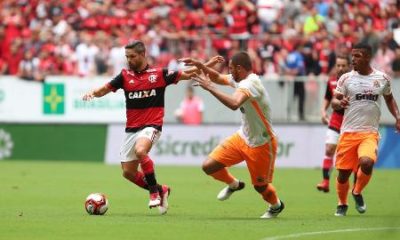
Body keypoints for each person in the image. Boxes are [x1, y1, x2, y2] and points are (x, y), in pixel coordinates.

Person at [82, 40, 223, 215]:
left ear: (143, 55)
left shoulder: (159, 74)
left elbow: (189, 73)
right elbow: (105, 89)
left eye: (132, 56)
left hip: (152, 125)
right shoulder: (124, 76)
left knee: (141, 151)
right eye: (127, 57)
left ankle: (153, 193)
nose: (129, 60)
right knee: (128, 173)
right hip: (131, 129)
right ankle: (161, 189)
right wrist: (92, 93)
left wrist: (207, 64)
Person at [181, 51, 284, 219]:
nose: (229, 72)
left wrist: (210, 88)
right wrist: (201, 65)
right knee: (209, 166)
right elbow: (218, 78)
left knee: (260, 187)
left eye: (230, 69)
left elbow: (235, 104)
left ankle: (276, 205)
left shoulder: (251, 84)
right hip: (242, 137)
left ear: (239, 68)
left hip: (261, 143)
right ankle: (234, 184)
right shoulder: (240, 79)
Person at [332, 43, 400, 216]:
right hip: (348, 132)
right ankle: (342, 203)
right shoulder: (346, 78)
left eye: (357, 56)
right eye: (352, 56)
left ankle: (357, 191)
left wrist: (398, 117)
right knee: (343, 174)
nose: (353, 59)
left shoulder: (382, 78)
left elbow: (389, 99)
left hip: (369, 132)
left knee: (367, 163)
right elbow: (335, 101)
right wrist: (339, 103)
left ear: (368, 57)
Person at [316, 55, 351, 193]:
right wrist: (323, 111)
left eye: (343, 65)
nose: (341, 68)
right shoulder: (331, 81)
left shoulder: (354, 82)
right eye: (338, 65)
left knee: (347, 157)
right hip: (336, 120)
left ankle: (350, 185)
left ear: (349, 66)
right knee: (329, 149)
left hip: (351, 122)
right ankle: (325, 181)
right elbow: (327, 98)